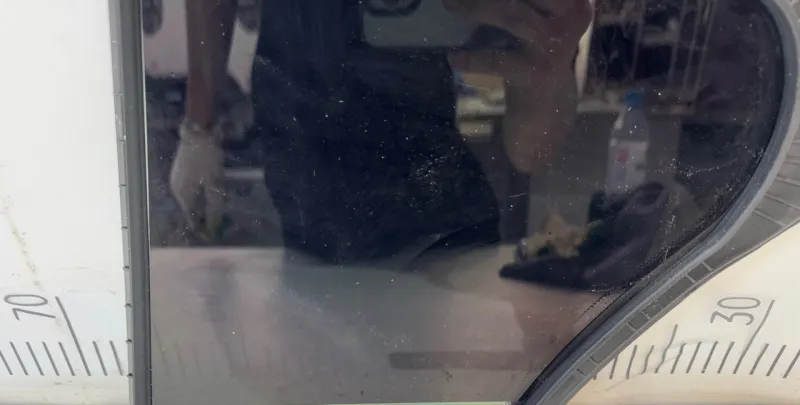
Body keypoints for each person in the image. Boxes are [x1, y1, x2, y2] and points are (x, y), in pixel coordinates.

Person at [170, 0, 592, 263]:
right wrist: (198, 126)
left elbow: (532, 151)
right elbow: (531, 152)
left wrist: (551, 63)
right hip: (308, 194)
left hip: (431, 205)